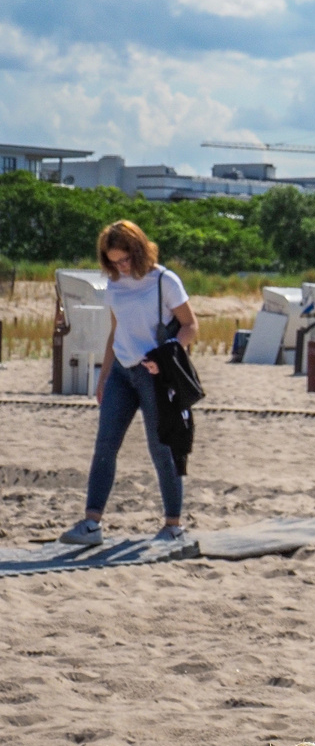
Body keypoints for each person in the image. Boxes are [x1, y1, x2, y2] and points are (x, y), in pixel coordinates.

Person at [58, 220, 199, 546]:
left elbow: (190, 326)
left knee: (162, 449)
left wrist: (163, 357)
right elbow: (116, 331)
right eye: (113, 261)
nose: (120, 266)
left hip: (154, 376)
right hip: (122, 373)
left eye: (124, 259)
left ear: (138, 250)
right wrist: (104, 376)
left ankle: (173, 525)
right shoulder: (116, 283)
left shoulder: (165, 280)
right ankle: (92, 524)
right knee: (105, 446)